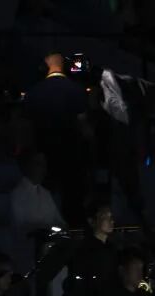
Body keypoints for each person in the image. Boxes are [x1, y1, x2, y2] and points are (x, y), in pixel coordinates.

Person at [25, 52, 90, 225]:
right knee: (72, 197)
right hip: (71, 152)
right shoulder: (76, 90)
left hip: (44, 152)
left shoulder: (35, 91)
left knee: (47, 195)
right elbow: (84, 125)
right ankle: (74, 228)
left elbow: (28, 125)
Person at [9, 150, 65, 255]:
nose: (43, 169)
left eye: (44, 164)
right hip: (28, 252)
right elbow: (20, 228)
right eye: (38, 164)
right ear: (28, 166)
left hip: (49, 248)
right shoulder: (16, 195)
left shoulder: (46, 194)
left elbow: (59, 221)